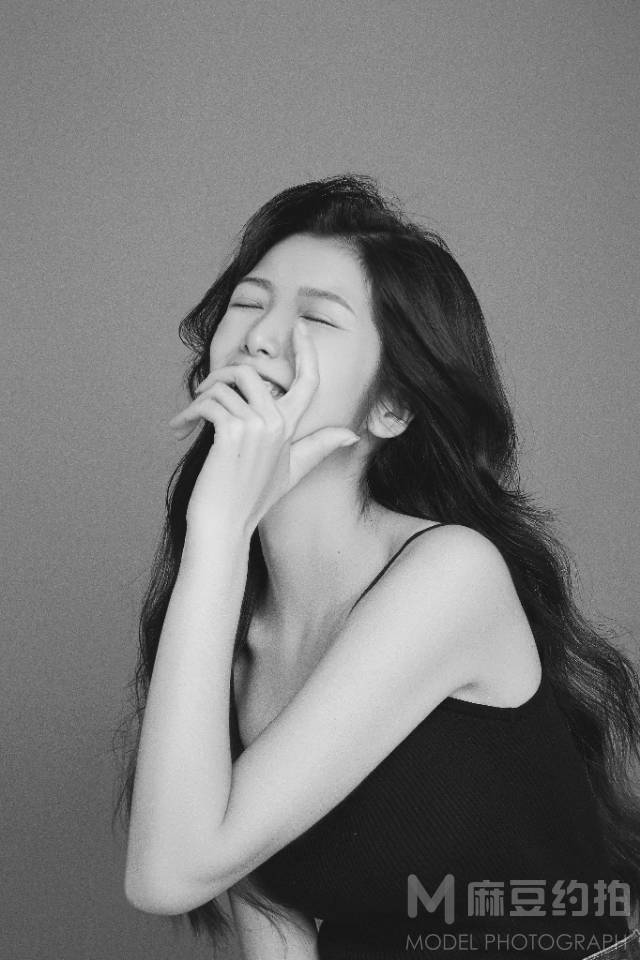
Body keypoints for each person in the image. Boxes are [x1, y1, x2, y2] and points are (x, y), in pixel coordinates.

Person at [114, 175, 640, 960]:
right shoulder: (220, 620)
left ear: (390, 408)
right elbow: (270, 920)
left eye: (317, 317)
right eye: (248, 304)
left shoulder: (451, 575)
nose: (261, 337)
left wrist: (219, 528)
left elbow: (167, 877)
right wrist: (215, 544)